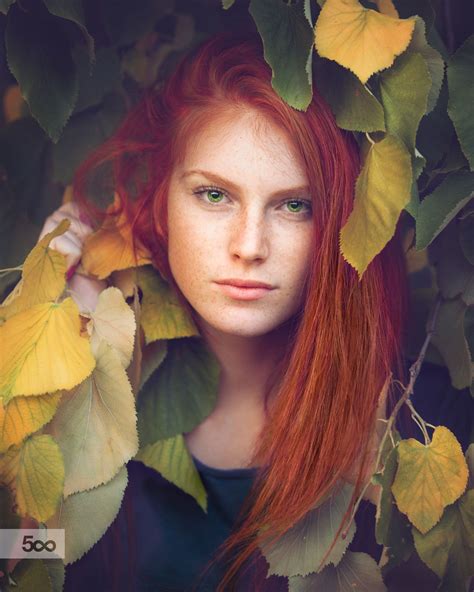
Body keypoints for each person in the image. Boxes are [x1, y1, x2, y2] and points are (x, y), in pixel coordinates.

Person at [34, 31, 473, 592]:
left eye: (295, 205)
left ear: (344, 221)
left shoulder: (430, 425)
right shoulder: (87, 399)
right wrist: (68, 364)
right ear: (161, 202)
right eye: (214, 195)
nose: (249, 245)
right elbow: (17, 561)